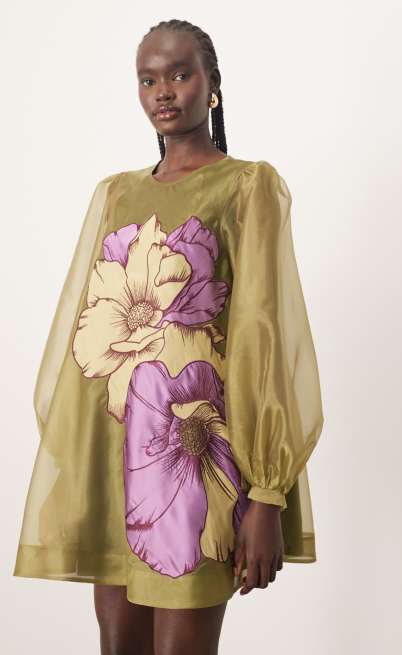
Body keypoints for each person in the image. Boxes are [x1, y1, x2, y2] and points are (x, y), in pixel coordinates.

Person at [13, 18, 324, 655]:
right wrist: (77, 469)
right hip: (115, 454)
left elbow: (262, 334)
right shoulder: (115, 193)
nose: (163, 91)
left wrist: (267, 494)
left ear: (212, 84)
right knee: (117, 645)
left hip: (194, 454)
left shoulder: (247, 186)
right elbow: (84, 335)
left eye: (180, 74)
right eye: (148, 79)